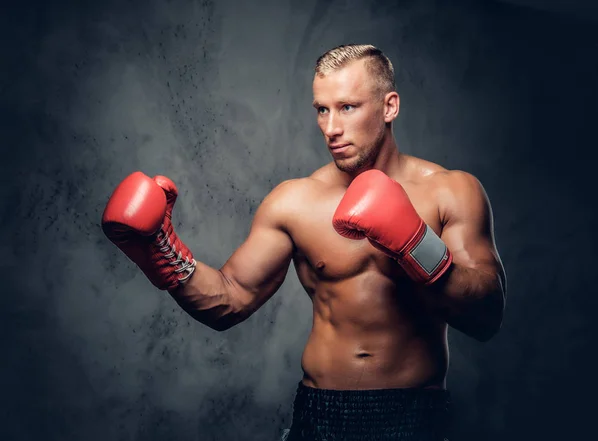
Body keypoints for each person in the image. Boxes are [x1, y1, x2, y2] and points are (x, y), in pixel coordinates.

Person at [102, 44, 506, 441]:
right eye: (321, 110)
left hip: (417, 415)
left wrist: (414, 243)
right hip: (320, 415)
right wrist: (162, 252)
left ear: (389, 107)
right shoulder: (294, 201)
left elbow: (487, 315)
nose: (331, 128)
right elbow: (229, 301)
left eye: (347, 107)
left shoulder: (451, 192)